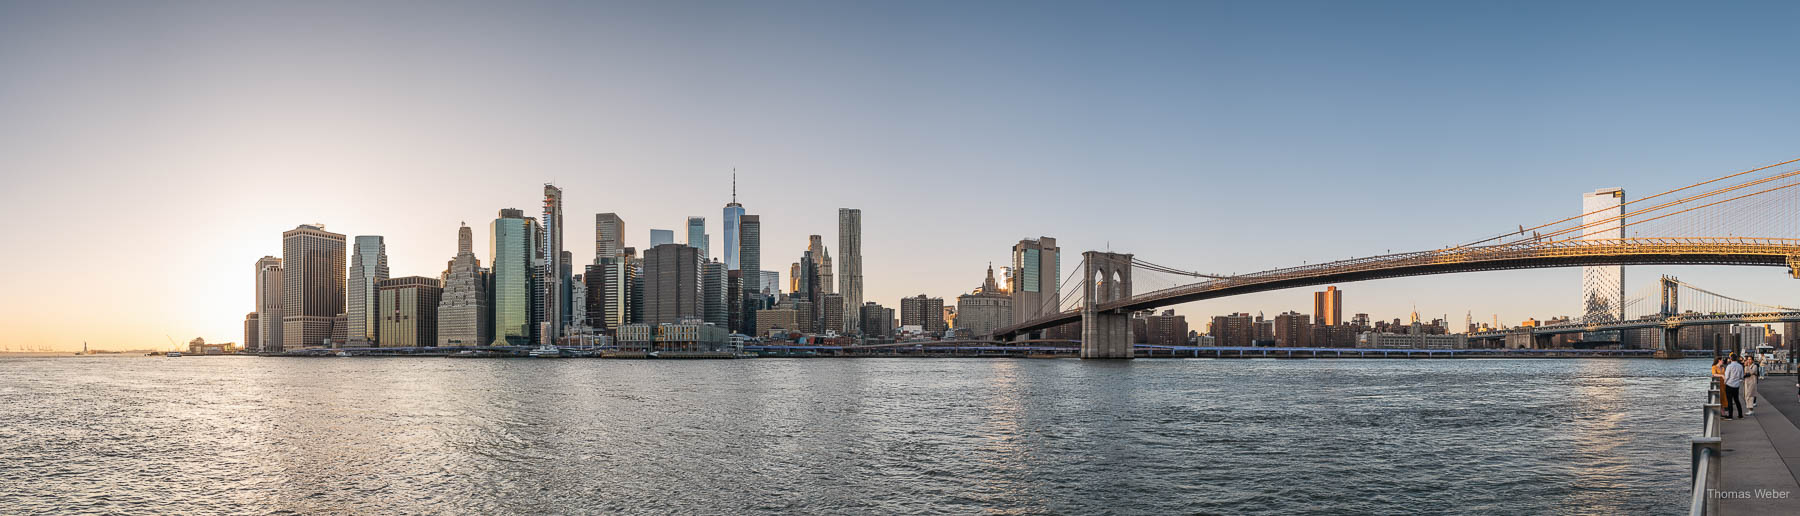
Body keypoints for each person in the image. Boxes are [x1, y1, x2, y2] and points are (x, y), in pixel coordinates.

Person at [1722, 354, 1745, 420]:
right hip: (1736, 385)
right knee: (1737, 400)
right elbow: (1741, 376)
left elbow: (1727, 376)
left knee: (1729, 401)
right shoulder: (1740, 366)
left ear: (1731, 359)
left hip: (1729, 385)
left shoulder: (1729, 366)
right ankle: (1740, 415)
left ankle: (1730, 416)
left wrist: (1725, 382)